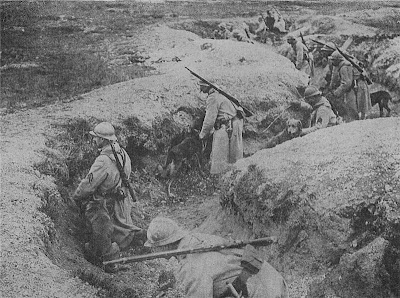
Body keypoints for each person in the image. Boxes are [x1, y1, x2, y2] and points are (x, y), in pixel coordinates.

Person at [145, 216, 289, 298]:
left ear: (164, 246)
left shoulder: (191, 265)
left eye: (154, 246)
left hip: (262, 290)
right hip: (270, 280)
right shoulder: (196, 240)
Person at [72, 122, 147, 273]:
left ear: (103, 140)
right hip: (120, 201)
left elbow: (88, 185)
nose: (94, 140)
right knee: (122, 227)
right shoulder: (123, 154)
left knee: (98, 225)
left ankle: (105, 254)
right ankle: (136, 237)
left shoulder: (103, 160)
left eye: (96, 138)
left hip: (104, 203)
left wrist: (76, 197)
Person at [198, 80, 244, 175]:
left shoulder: (213, 98)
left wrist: (202, 135)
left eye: (201, 86)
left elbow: (209, 120)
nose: (200, 89)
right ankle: (234, 176)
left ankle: (219, 178)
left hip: (226, 126)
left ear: (207, 87)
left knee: (219, 157)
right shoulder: (221, 92)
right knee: (235, 156)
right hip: (236, 123)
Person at [327, 50, 372, 121]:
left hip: (357, 87)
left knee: (354, 108)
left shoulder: (344, 67)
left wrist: (336, 93)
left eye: (333, 60)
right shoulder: (341, 65)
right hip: (355, 86)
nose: (332, 62)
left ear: (338, 60)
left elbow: (346, 83)